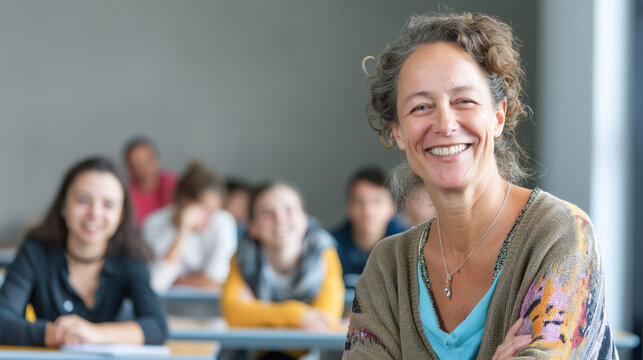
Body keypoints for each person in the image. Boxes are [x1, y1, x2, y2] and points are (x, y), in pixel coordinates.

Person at [344, 13, 616, 359]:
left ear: (498, 115)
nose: (444, 124)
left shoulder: (560, 233)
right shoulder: (387, 266)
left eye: (464, 101)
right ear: (398, 131)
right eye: (421, 106)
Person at [0, 157, 167, 346]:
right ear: (64, 204)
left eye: (108, 205)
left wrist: (95, 334)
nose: (95, 213)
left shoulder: (129, 260)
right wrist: (58, 334)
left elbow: (157, 326)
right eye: (83, 200)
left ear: (121, 215)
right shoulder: (34, 253)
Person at [221, 181, 344, 332]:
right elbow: (233, 314)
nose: (280, 220)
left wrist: (257, 314)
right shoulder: (241, 258)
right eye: (266, 212)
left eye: (289, 209)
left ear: (304, 220)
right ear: (252, 227)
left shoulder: (324, 253)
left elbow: (326, 321)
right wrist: (296, 315)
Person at [143, 162, 237, 293]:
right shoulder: (153, 223)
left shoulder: (222, 221)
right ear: (184, 202)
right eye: (205, 210)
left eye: (214, 211)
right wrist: (183, 230)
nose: (210, 218)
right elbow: (155, 284)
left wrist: (173, 282)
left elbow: (216, 283)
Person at [331, 167, 406, 284]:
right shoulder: (330, 245)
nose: (368, 211)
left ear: (392, 208)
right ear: (348, 207)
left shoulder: (407, 245)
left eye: (377, 202)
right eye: (360, 202)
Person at [124, 136, 178, 226]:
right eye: (136, 164)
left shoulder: (172, 183)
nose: (144, 168)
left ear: (157, 159)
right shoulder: (126, 191)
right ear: (129, 167)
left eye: (147, 161)